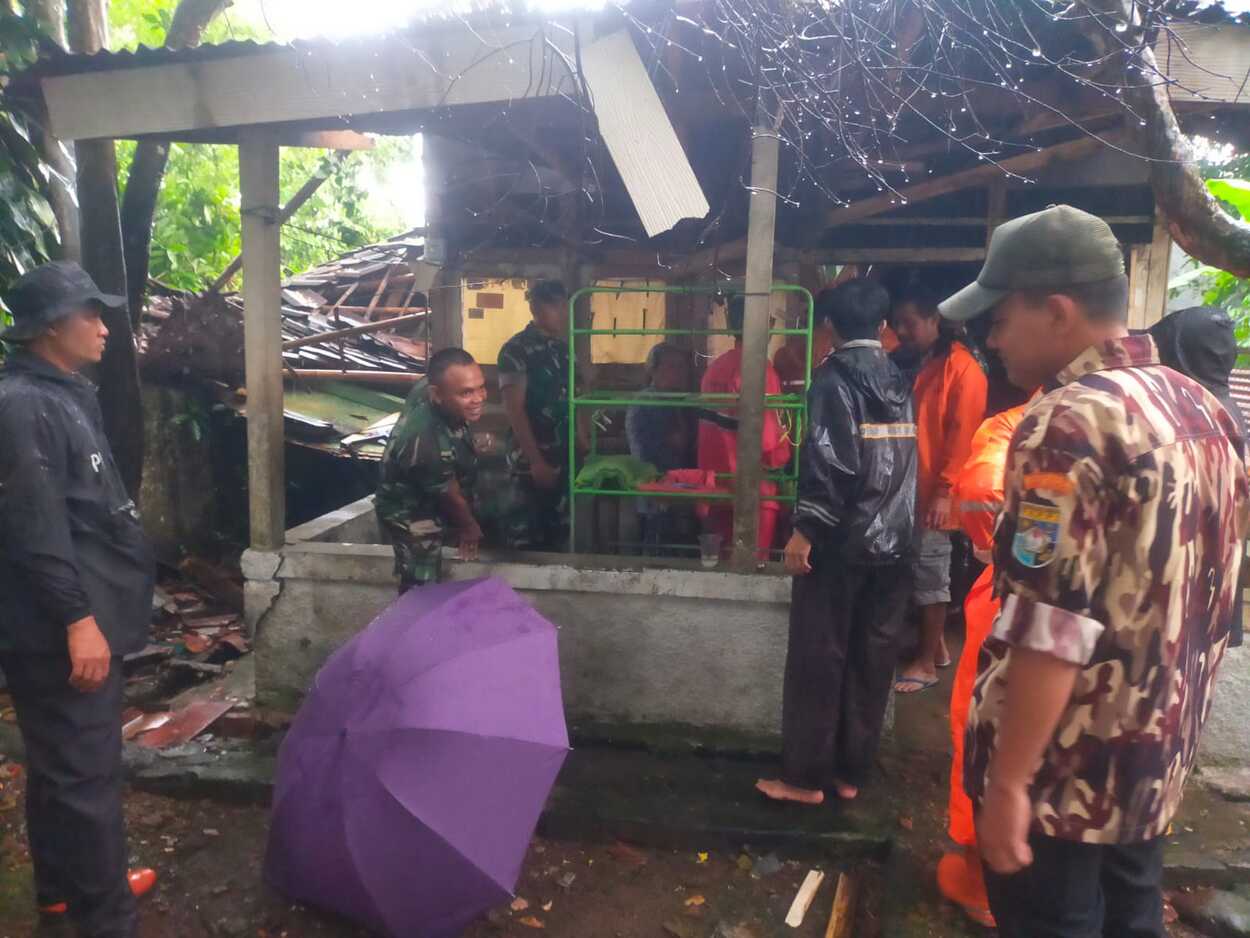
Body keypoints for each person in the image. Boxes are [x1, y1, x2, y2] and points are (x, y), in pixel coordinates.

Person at [942, 205, 1248, 937]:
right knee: (1132, 919)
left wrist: (1011, 783)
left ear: (1057, 311)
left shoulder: (1069, 422)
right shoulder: (1200, 407)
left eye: (999, 317)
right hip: (1153, 766)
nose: (991, 338)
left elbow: (1051, 624)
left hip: (1062, 781)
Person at [0, 261, 159, 937]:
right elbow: (34, 526)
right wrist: (78, 620)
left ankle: (63, 898)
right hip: (60, 627)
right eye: (88, 315)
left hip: (72, 617)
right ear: (46, 329)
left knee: (60, 771)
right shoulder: (26, 406)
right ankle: (107, 920)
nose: (102, 327)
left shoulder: (61, 392)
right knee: (86, 780)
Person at [755, 280, 917, 805]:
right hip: (896, 544)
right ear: (883, 328)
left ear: (829, 328)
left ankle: (804, 780)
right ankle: (851, 774)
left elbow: (834, 463)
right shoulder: (901, 377)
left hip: (842, 545)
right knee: (872, 661)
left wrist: (805, 532)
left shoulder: (833, 379)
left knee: (818, 659)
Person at [935, 399, 1028, 928]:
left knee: (979, 735)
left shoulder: (1016, 426)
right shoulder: (1175, 411)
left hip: (1010, 601)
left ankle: (975, 882)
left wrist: (998, 549)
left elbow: (978, 493)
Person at [891, 281, 987, 694]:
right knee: (923, 573)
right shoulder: (928, 361)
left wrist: (945, 492)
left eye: (909, 323)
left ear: (935, 320)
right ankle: (939, 649)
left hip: (936, 493)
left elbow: (961, 438)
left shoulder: (962, 370)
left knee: (931, 578)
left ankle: (927, 663)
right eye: (898, 324)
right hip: (916, 488)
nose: (902, 331)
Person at [1149, 306, 1247, 647]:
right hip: (1210, 570)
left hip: (1193, 578)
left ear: (1179, 353)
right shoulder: (1223, 406)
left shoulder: (1193, 414)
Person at [376, 347, 486, 592]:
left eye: (481, 387)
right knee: (421, 581)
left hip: (429, 488)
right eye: (466, 393)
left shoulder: (432, 388)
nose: (478, 398)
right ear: (436, 394)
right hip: (409, 511)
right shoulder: (426, 442)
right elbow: (448, 493)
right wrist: (469, 528)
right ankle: (412, 621)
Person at [698, 295, 792, 561]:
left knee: (720, 565)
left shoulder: (713, 369)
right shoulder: (761, 370)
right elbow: (768, 444)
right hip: (752, 489)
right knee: (752, 568)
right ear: (769, 325)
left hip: (715, 484)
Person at [498, 279, 579, 551]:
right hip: (531, 458)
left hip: (562, 454)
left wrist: (581, 439)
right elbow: (514, 409)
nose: (563, 313)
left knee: (559, 533)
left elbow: (573, 397)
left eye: (564, 306)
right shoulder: (516, 350)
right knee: (525, 537)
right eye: (555, 307)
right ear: (536, 308)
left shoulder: (563, 349)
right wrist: (535, 462)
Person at [626, 343, 696, 553]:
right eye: (672, 366)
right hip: (657, 493)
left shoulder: (675, 400)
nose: (679, 372)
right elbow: (675, 442)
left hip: (676, 490)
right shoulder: (649, 401)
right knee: (659, 552)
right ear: (653, 370)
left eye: (682, 366)